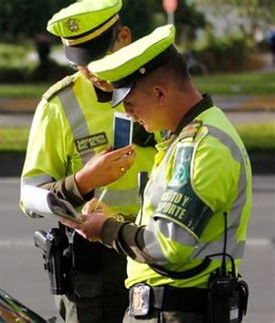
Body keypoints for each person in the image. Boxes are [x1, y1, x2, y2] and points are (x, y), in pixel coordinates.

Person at [61, 24, 253, 322]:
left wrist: (105, 230)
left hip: (178, 311)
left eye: (131, 103)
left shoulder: (203, 147)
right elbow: (168, 227)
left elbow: (168, 246)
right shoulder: (185, 140)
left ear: (160, 93)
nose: (129, 114)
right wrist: (116, 221)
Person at [20, 0, 158, 322]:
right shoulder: (58, 105)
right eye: (81, 62)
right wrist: (83, 181)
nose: (91, 71)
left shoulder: (159, 91)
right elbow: (29, 197)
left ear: (124, 36)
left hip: (155, 255)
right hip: (95, 272)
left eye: (97, 57)